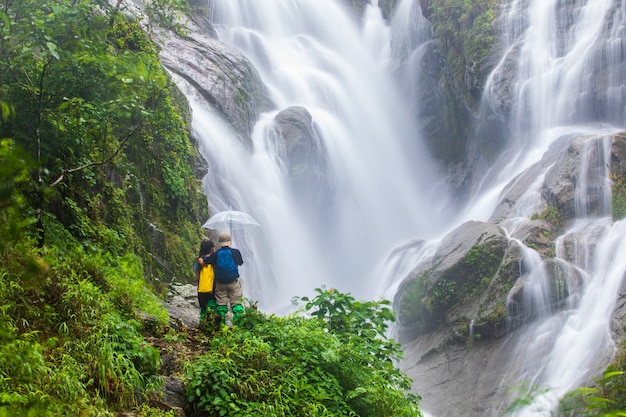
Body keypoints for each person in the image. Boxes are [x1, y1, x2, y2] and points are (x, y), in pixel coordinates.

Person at [198, 231, 244, 326]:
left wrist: (200, 259)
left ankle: (222, 326)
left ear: (220, 242)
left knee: (221, 305)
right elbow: (240, 263)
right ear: (230, 241)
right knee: (236, 303)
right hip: (233, 282)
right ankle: (238, 325)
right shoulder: (235, 252)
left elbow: (206, 261)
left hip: (220, 283)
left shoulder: (216, 254)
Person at [195, 239, 216, 324]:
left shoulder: (199, 260)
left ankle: (201, 324)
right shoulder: (214, 260)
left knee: (203, 309)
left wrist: (200, 282)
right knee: (211, 307)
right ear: (212, 249)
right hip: (212, 288)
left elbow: (197, 275)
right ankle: (210, 325)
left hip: (201, 288)